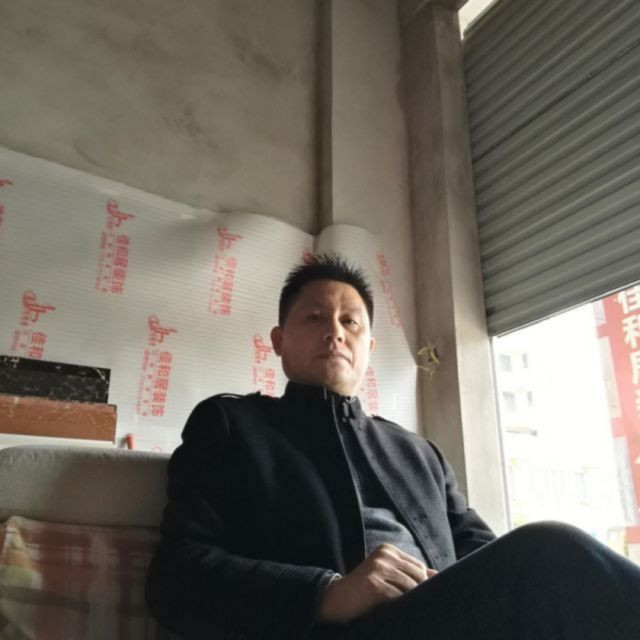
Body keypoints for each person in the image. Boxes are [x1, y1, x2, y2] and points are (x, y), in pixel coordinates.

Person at [146, 254, 640, 640]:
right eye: (314, 317)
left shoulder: (420, 454)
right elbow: (176, 579)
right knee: (553, 554)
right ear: (278, 341)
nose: (334, 331)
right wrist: (328, 593)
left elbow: (491, 563)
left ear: (369, 347)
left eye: (351, 322)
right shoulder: (233, 426)